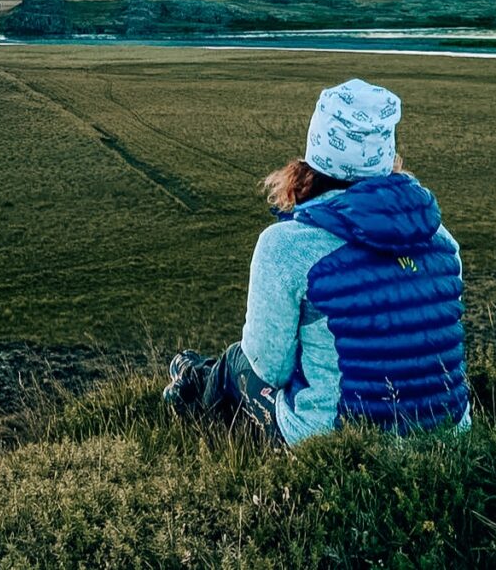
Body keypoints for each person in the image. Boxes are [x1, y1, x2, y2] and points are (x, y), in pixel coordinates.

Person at [163, 78, 470, 445]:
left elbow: (269, 368)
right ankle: (193, 373)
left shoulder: (284, 246)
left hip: (339, 443)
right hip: (450, 437)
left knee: (237, 363)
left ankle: (190, 391)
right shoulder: (442, 240)